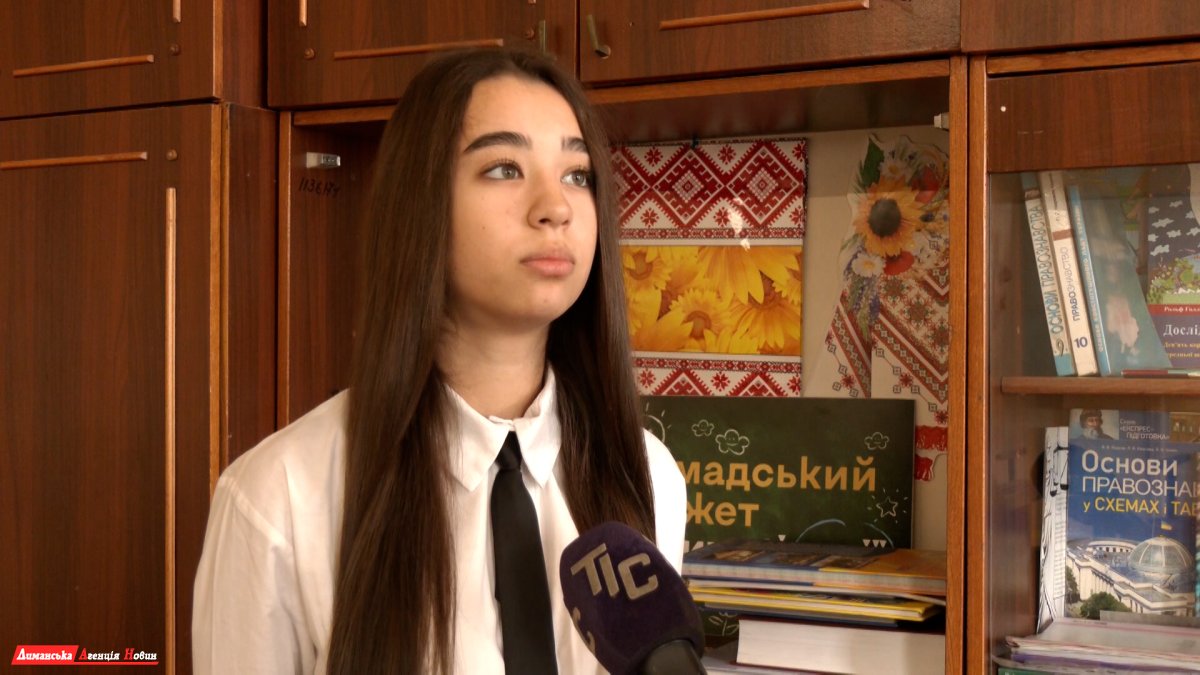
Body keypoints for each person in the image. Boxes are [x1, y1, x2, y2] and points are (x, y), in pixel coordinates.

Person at [192, 47, 687, 675]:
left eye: (577, 174)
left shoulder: (651, 475)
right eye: (504, 168)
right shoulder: (278, 497)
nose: (555, 207)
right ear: (419, 204)